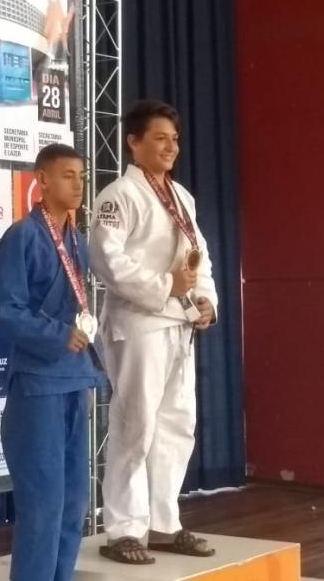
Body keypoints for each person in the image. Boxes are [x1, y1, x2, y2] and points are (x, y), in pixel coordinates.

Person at [89, 99, 218, 565]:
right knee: (136, 425)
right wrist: (166, 285)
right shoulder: (118, 196)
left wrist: (205, 299)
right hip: (138, 323)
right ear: (134, 142)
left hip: (179, 323)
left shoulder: (181, 196)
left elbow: (198, 256)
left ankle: (163, 523)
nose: (171, 147)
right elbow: (108, 261)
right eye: (160, 138)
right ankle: (124, 529)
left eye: (175, 139)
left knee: (176, 426)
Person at [0, 143, 106, 581]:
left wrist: (86, 365)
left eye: (82, 177)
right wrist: (57, 335)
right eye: (68, 176)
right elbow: (2, 308)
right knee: (43, 504)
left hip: (74, 379)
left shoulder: (77, 241)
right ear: (43, 180)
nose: (78, 185)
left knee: (74, 502)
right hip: (37, 383)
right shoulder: (24, 235)